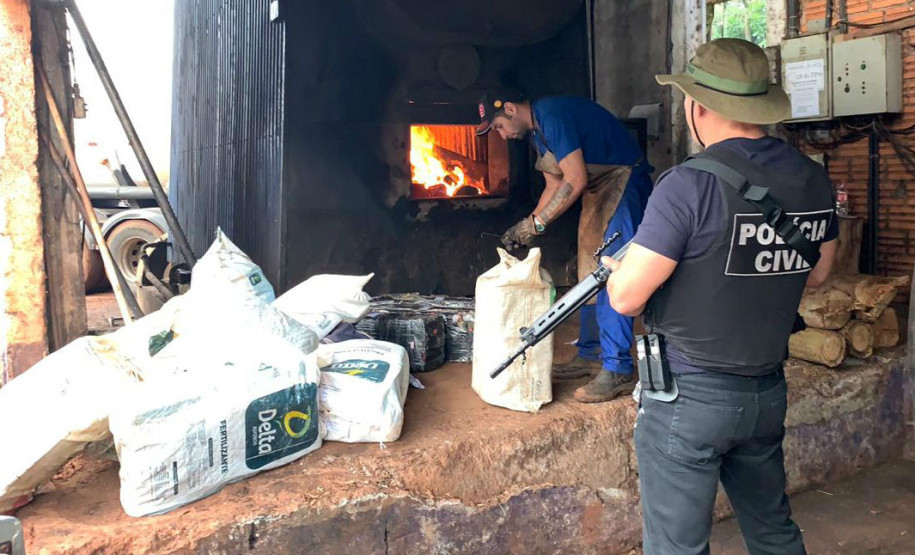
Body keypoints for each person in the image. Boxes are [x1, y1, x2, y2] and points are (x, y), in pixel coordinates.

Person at [602, 38, 838, 554]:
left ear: (697, 106)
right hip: (766, 391)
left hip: (691, 398)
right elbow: (819, 270)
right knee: (774, 531)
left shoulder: (687, 185)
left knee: (677, 546)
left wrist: (622, 270)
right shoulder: (813, 179)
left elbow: (625, 299)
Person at [476, 90, 653, 403]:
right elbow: (554, 185)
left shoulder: (553, 116)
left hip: (625, 182)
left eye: (500, 127)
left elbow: (575, 179)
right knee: (589, 270)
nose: (502, 136)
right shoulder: (538, 134)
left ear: (512, 109)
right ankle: (590, 354)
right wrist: (527, 226)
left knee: (610, 271)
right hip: (600, 189)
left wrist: (538, 224)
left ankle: (618, 369)